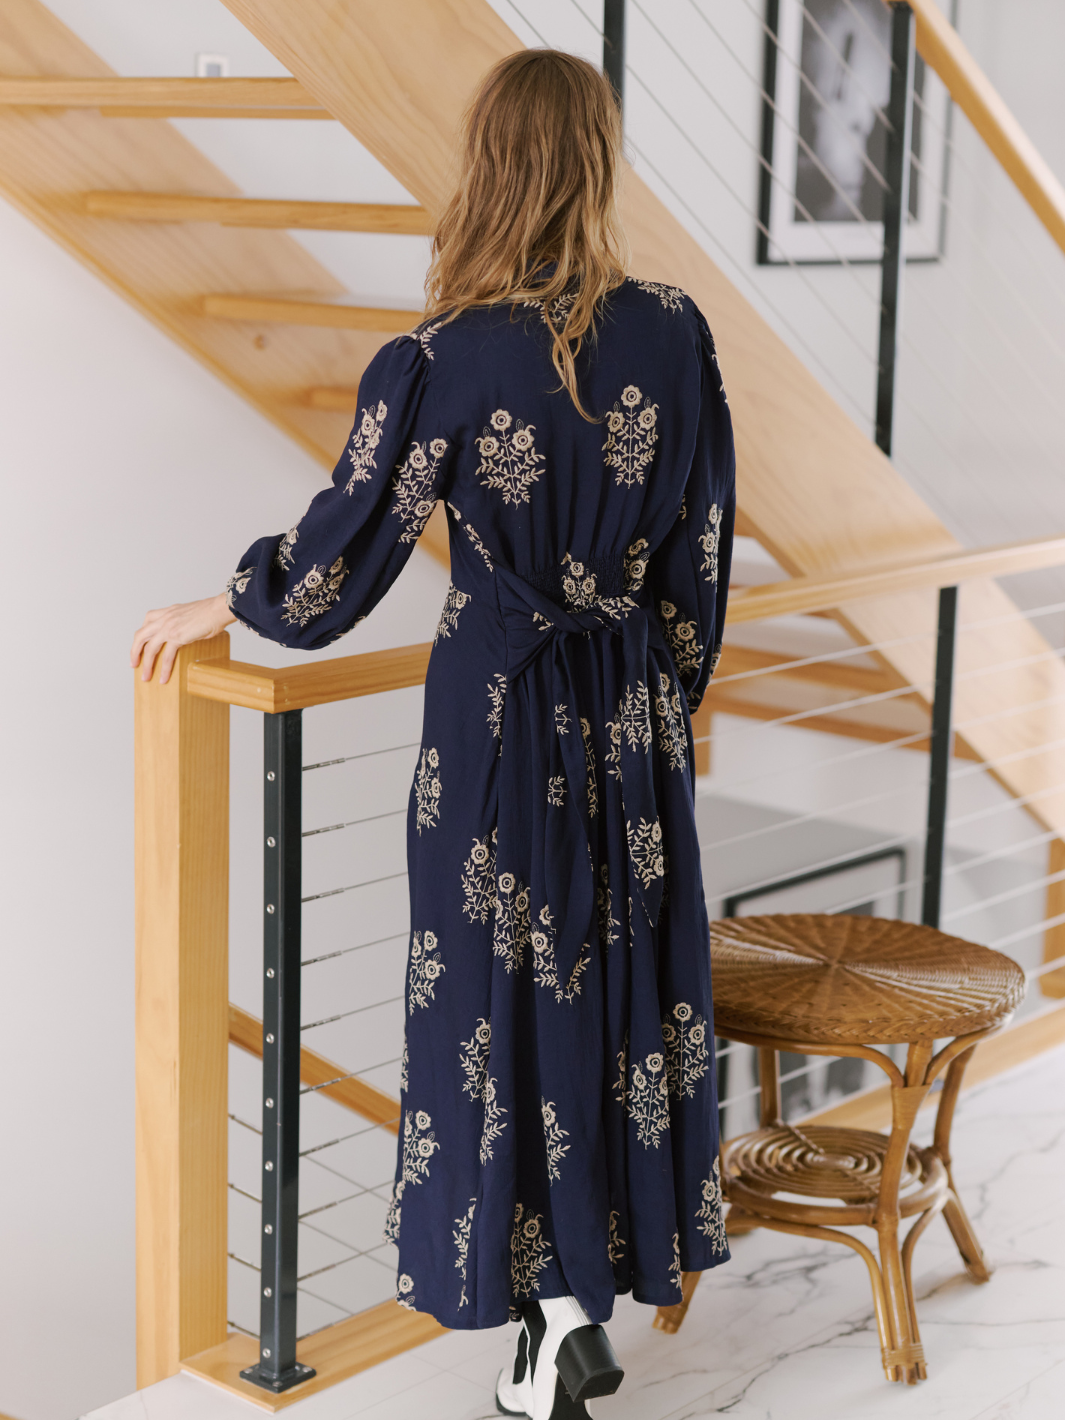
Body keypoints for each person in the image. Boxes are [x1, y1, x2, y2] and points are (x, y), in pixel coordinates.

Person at [131, 48, 735, 1420]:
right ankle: (576, 1307)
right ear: (598, 164)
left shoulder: (440, 360)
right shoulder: (677, 331)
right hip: (627, 719)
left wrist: (231, 599)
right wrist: (659, 703)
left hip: (497, 725)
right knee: (616, 992)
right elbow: (698, 556)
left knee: (489, 1006)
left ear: (489, 168)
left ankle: (549, 1316)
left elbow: (340, 563)